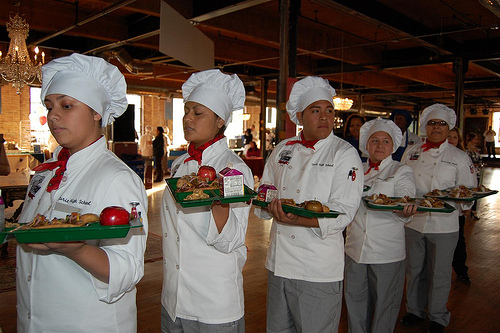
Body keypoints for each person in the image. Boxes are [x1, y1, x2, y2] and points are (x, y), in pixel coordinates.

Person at [16, 53, 149, 332]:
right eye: (50, 105)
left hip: (87, 323)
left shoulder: (117, 178)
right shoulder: (46, 173)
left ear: (96, 112)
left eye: (66, 105)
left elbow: (127, 271)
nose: (53, 115)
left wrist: (73, 248)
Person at [254, 76, 364, 332]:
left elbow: (344, 212)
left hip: (317, 267)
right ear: (300, 116)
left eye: (329, 111)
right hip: (279, 263)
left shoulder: (343, 153)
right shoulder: (282, 149)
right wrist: (265, 201)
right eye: (316, 111)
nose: (324, 117)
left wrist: (296, 218)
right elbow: (266, 189)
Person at [160, 69, 253, 332]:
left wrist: (219, 204)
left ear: (220, 120)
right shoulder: (181, 164)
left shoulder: (234, 169)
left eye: (197, 112)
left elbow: (233, 240)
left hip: (213, 302)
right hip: (173, 299)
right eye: (186, 111)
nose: (187, 118)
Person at [400, 104, 476, 333]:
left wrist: (466, 203)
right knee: (414, 269)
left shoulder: (459, 156)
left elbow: (469, 191)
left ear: (449, 127)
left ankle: (438, 316)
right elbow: (401, 181)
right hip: (414, 220)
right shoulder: (411, 152)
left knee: (440, 272)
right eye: (432, 123)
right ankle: (414, 310)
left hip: (444, 224)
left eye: (442, 124)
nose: (436, 128)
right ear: (425, 126)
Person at [344, 118, 417, 333]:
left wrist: (403, 206)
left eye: (385, 141)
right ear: (366, 144)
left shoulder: (401, 171)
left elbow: (406, 194)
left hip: (387, 251)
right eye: (374, 140)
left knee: (386, 303)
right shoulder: (355, 170)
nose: (379, 145)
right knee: (354, 300)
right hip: (355, 247)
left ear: (393, 146)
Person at [447, 127, 471, 285]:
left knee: (458, 244)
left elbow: (468, 185)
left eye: (454, 137)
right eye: (448, 137)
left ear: (458, 140)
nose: (450, 140)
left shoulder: (462, 158)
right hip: (442, 210)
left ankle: (461, 270)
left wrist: (467, 204)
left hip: (457, 211)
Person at [465, 132, 482, 220]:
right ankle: (469, 208)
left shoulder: (476, 150)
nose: (476, 141)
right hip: (471, 173)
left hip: (477, 172)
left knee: (477, 192)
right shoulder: (466, 150)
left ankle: (474, 210)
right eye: (475, 139)